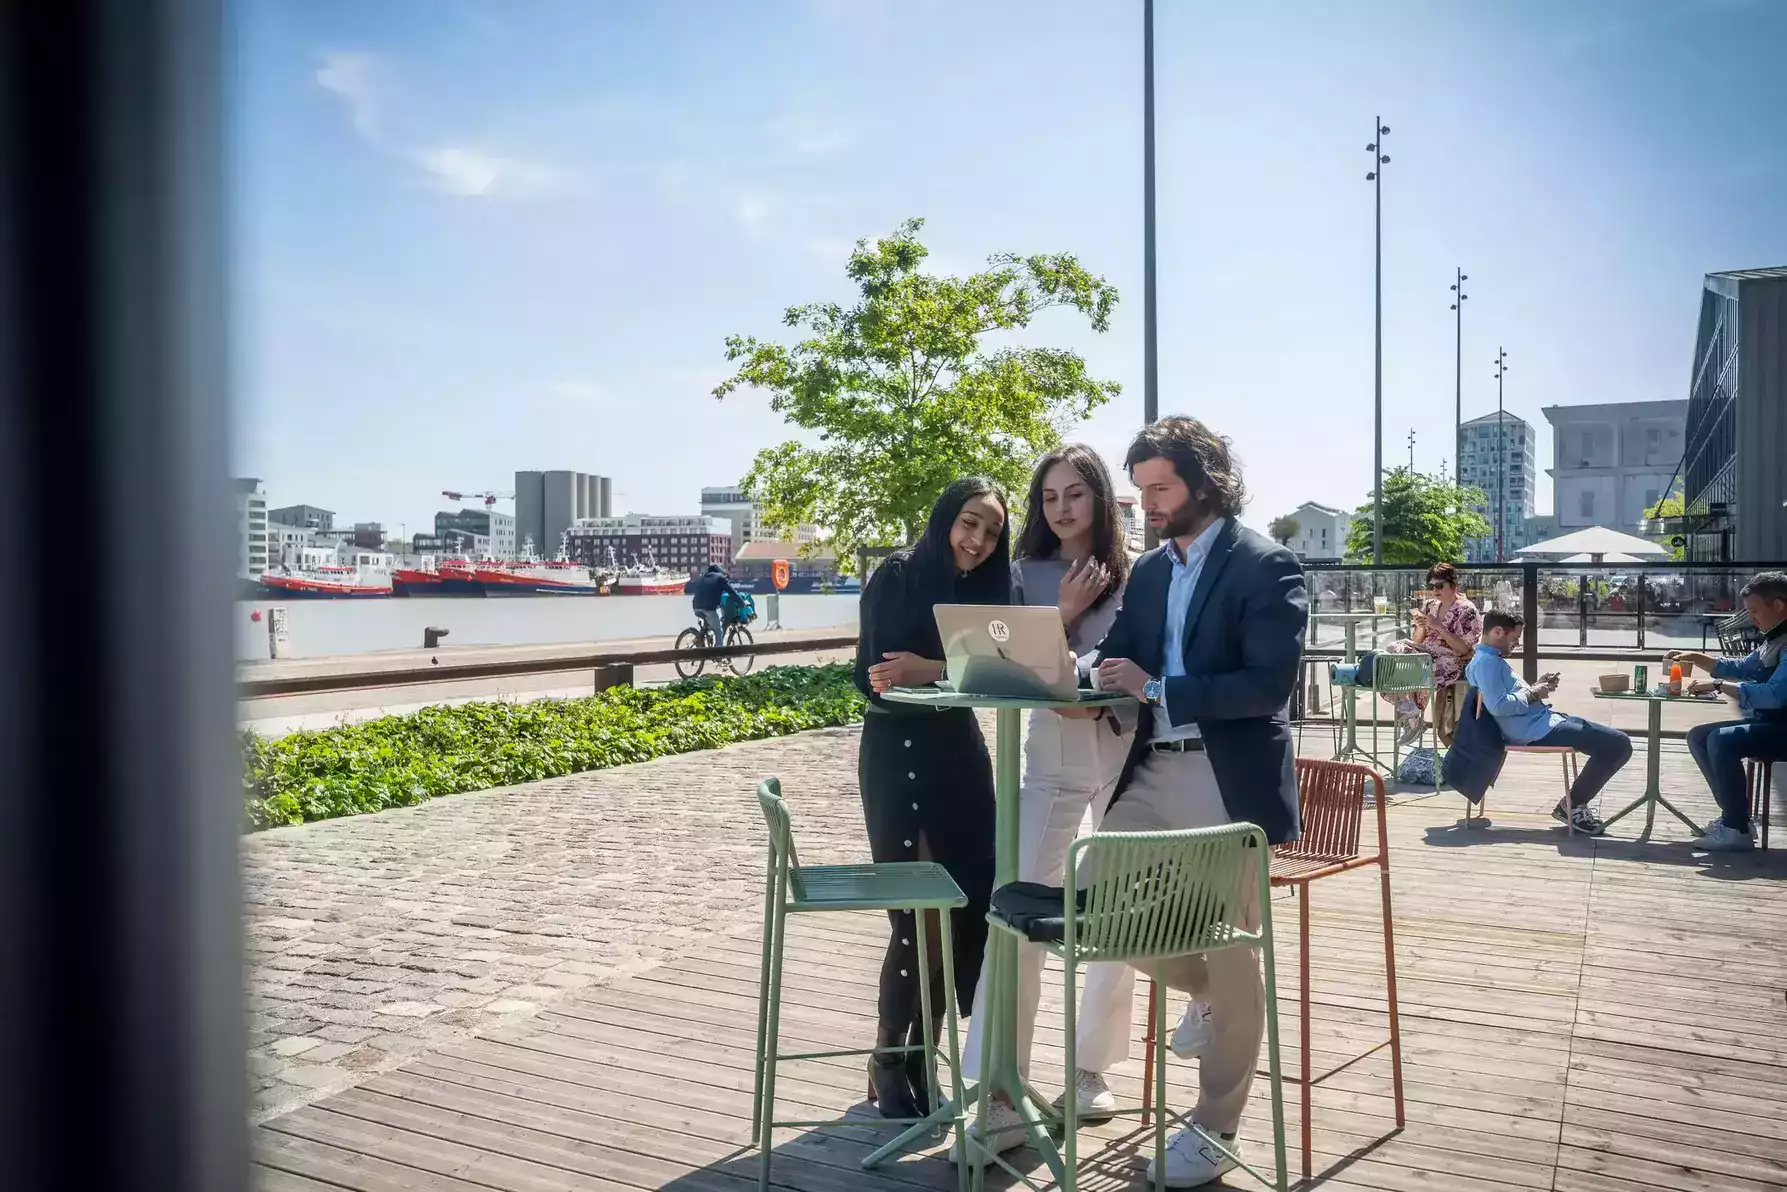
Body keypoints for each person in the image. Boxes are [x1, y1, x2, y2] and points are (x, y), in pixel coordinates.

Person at [1088, 416, 1307, 1188]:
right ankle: (1213, 995)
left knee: (1229, 945)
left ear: (1204, 481)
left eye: (1160, 487)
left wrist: (1154, 688)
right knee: (1091, 911)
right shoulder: (1150, 570)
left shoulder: (1265, 565)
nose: (1147, 503)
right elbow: (1123, 651)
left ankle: (1214, 1130)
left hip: (1227, 777)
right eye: (1140, 489)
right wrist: (1083, 674)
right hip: (1152, 772)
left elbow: (1265, 687)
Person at [957, 445, 1135, 1157]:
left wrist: (1087, 683)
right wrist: (1061, 614)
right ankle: (997, 1087)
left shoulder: (1140, 572)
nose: (1061, 508)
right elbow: (1003, 666)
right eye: (1050, 496)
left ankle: (1089, 1069)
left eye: (1075, 494)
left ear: (1099, 498)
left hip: (1124, 752)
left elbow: (1140, 650)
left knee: (1117, 916)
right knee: (1014, 910)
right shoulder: (1020, 575)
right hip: (1050, 759)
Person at [853, 477, 1009, 1119]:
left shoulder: (988, 593)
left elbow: (1006, 670)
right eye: (968, 523)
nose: (976, 540)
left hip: (961, 760)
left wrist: (935, 668)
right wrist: (944, 669)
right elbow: (882, 677)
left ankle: (927, 1052)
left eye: (991, 532)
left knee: (965, 911)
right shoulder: (897, 575)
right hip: (901, 756)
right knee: (920, 918)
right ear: (946, 516)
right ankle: (891, 1054)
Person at [1465, 609, 1632, 834]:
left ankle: (1573, 804)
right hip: (1534, 730)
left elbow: (1503, 698)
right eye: (1513, 639)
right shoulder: (1487, 663)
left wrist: (1535, 687)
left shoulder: (1488, 660)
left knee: (1614, 742)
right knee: (1618, 744)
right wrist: (1534, 694)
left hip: (1541, 723)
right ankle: (1572, 806)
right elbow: (1498, 706)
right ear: (1497, 632)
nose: (1516, 644)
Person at [1669, 571, 1787, 852]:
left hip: (1782, 727)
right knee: (1698, 736)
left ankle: (1735, 828)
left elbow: (1774, 695)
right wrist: (1699, 659)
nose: (1752, 618)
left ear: (1779, 605)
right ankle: (1736, 819)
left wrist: (1720, 685)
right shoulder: (1773, 639)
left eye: (1756, 610)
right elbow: (1741, 667)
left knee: (1721, 739)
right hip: (1770, 724)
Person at [1379, 562, 1482, 745]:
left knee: (1413, 668)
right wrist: (1420, 626)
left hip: (1448, 660)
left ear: (1453, 584)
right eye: (1431, 586)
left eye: (1439, 585)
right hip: (1424, 653)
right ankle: (1410, 709)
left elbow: (1463, 649)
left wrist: (1439, 628)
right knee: (1389, 656)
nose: (1435, 590)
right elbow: (1418, 640)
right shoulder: (1429, 606)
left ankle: (1412, 718)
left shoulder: (1467, 610)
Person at [686, 564, 741, 648]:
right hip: (708, 609)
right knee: (718, 631)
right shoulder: (720, 578)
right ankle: (718, 655)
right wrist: (742, 603)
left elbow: (691, 589)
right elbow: (732, 593)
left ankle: (699, 637)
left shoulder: (703, 577)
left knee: (707, 624)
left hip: (696, 607)